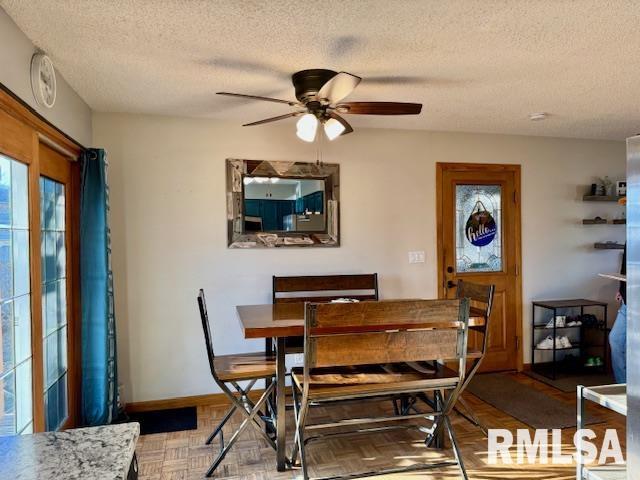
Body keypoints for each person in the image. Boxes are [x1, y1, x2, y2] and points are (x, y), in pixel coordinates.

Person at [608, 245, 626, 383]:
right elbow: (625, 267)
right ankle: (623, 385)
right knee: (615, 339)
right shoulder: (631, 236)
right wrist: (621, 289)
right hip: (627, 301)